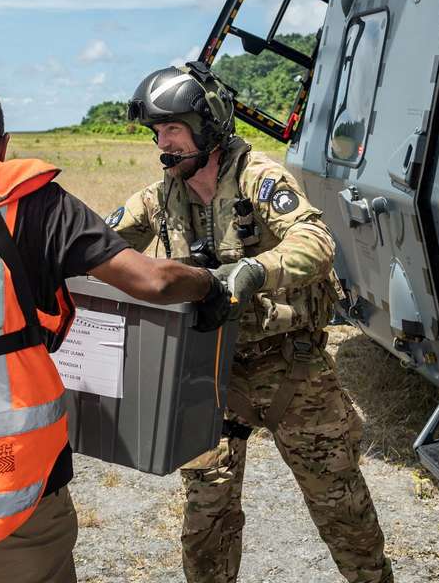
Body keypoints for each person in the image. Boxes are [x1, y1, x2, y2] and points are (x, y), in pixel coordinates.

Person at [0, 82, 239, 583]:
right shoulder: (31, 200)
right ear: (4, 146)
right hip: (18, 489)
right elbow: (153, 280)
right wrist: (209, 284)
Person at [108, 62, 392, 583]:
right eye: (156, 132)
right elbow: (102, 247)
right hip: (207, 371)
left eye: (172, 129)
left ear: (208, 125)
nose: (162, 144)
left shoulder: (259, 177)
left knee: (341, 507)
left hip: (291, 369)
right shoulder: (159, 195)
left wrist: (253, 271)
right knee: (205, 517)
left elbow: (316, 242)